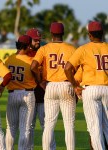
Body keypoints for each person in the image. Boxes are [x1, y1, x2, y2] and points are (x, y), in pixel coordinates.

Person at [31, 22, 76, 150]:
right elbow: (77, 69)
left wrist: (40, 81)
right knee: (69, 124)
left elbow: (33, 66)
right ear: (63, 33)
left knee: (49, 124)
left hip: (50, 86)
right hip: (66, 85)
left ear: (51, 34)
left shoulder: (44, 48)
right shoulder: (71, 48)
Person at [64, 21, 108, 150]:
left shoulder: (83, 49)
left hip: (91, 89)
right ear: (103, 33)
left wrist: (74, 85)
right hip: (106, 88)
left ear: (89, 35)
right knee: (106, 126)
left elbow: (67, 68)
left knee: (94, 128)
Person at [5, 35, 36, 150]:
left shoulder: (9, 59)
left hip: (12, 94)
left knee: (10, 127)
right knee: (25, 128)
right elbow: (38, 76)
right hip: (27, 94)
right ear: (28, 46)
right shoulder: (31, 61)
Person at [26, 28, 56, 150]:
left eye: (39, 40)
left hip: (44, 95)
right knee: (29, 126)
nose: (37, 42)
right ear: (28, 40)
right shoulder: (24, 55)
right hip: (30, 95)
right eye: (35, 40)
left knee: (47, 125)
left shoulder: (43, 52)